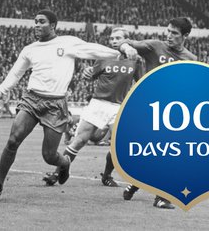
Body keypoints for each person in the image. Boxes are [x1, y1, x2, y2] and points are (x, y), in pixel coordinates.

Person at [0, 9, 123, 202]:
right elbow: (15, 74)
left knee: (49, 156)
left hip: (55, 104)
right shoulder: (29, 49)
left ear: (53, 25)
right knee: (13, 140)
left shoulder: (67, 43)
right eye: (35, 22)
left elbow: (94, 49)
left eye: (41, 21)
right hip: (31, 99)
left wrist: (118, 51)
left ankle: (64, 162)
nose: (37, 25)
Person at [42, 27, 142, 188]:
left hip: (119, 107)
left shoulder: (136, 60)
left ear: (126, 40)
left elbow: (140, 82)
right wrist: (87, 74)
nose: (114, 41)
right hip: (98, 104)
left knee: (119, 146)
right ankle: (56, 173)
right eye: (112, 39)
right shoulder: (103, 57)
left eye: (118, 38)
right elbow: (90, 76)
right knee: (79, 140)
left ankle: (107, 176)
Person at [119, 17, 197, 209]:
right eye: (168, 31)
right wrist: (127, 47)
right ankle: (160, 196)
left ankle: (139, 183)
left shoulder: (191, 59)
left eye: (175, 33)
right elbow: (125, 42)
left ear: (185, 36)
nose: (169, 36)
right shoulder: (154, 46)